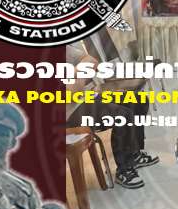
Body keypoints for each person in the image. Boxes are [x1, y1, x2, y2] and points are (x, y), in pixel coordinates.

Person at [66, 45, 159, 189]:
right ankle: (124, 168)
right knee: (123, 116)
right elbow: (70, 93)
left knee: (139, 99)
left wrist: (73, 73)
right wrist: (81, 75)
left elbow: (92, 61)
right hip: (67, 113)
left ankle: (134, 154)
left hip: (85, 97)